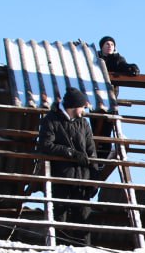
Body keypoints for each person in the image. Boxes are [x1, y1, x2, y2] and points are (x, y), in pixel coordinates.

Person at [36, 87, 101, 244]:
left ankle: (84, 250)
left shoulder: (84, 124)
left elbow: (91, 151)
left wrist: (94, 177)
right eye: (82, 106)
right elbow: (45, 145)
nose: (84, 110)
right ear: (74, 106)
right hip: (62, 176)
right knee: (60, 214)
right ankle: (59, 249)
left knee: (83, 215)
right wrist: (70, 153)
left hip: (82, 178)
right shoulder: (51, 120)